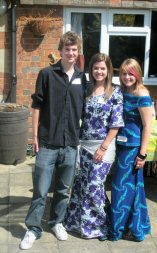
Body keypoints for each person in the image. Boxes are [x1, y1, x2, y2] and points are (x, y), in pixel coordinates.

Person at [20, 31, 87, 250]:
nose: (70, 53)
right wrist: (35, 136)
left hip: (70, 145)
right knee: (40, 190)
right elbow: (37, 106)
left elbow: (85, 109)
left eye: (74, 49)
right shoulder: (47, 74)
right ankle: (33, 228)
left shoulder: (81, 78)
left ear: (78, 52)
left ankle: (57, 222)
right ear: (60, 51)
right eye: (67, 49)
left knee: (63, 189)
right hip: (48, 142)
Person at [65, 53, 124, 240]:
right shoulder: (87, 90)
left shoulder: (115, 92)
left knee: (94, 186)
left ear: (108, 71)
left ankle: (101, 227)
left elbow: (116, 124)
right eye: (96, 68)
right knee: (82, 185)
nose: (99, 71)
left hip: (103, 146)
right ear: (91, 70)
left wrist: (104, 148)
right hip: (84, 145)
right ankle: (77, 223)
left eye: (103, 68)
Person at [110, 58, 152, 242]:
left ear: (137, 74)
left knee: (124, 189)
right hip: (120, 146)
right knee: (125, 188)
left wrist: (142, 154)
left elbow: (148, 126)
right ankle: (128, 226)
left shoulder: (142, 94)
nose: (127, 77)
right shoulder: (122, 91)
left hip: (133, 149)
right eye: (124, 73)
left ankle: (123, 228)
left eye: (131, 73)